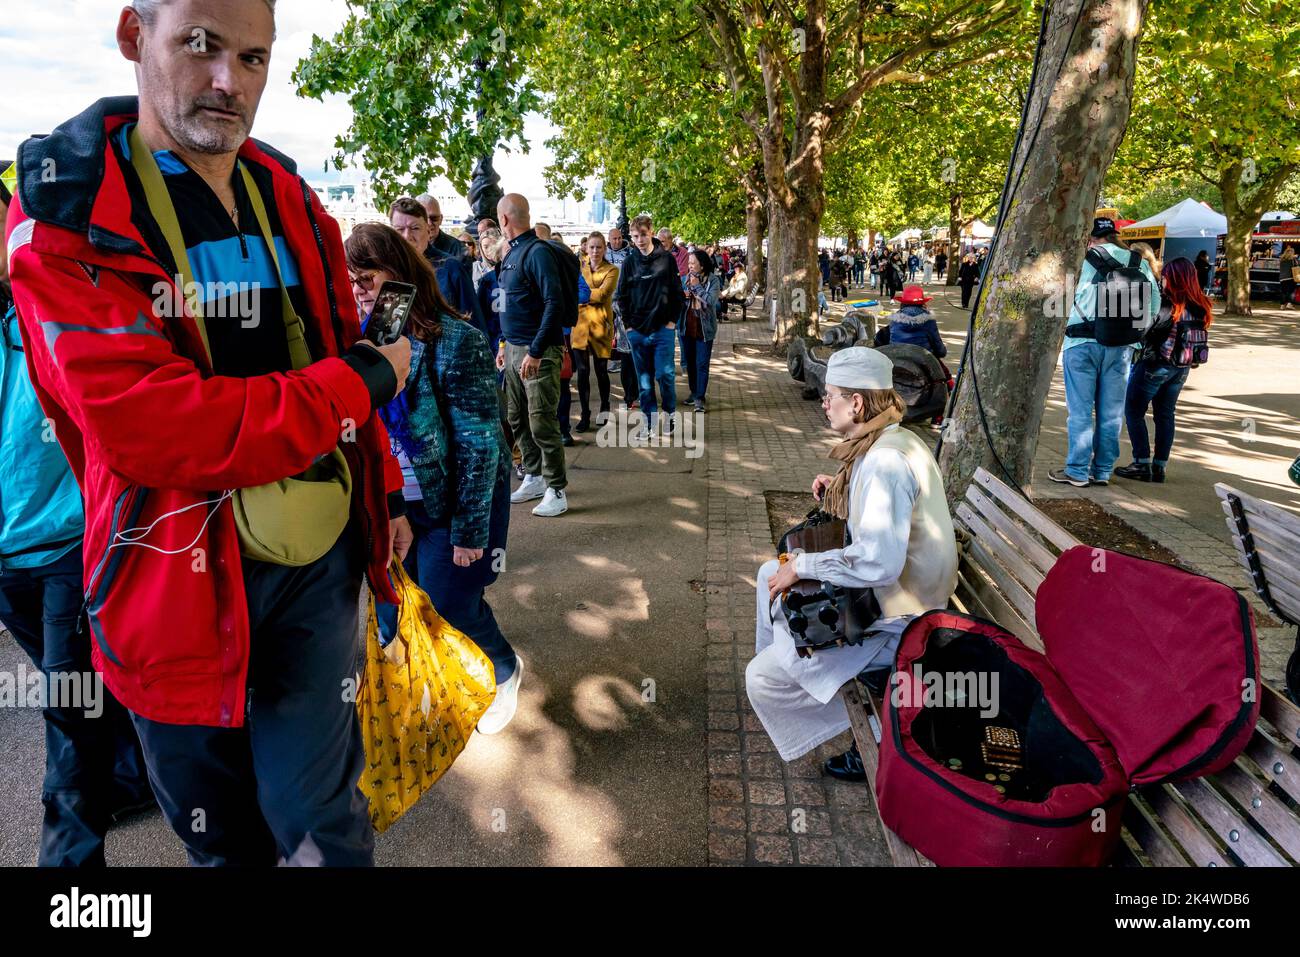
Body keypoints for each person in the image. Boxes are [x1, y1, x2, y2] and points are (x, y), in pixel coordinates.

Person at [6, 0, 413, 866]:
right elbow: (158, 428)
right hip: (166, 578)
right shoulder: (61, 217)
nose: (230, 81)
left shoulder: (292, 196)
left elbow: (338, 356)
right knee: (221, 836)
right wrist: (368, 377)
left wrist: (382, 498)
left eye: (254, 57)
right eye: (200, 44)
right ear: (132, 37)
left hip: (312, 560)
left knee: (321, 830)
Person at [1, 169, 153, 867]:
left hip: (69, 545)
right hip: (8, 562)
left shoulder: (47, 302)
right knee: (88, 693)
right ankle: (135, 774)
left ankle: (71, 879)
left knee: (68, 714)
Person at [748, 347, 958, 777]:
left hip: (905, 616)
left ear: (857, 403)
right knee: (770, 573)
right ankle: (796, 662)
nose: (825, 404)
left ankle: (885, 734)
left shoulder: (883, 461)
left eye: (831, 396)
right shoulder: (889, 439)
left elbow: (878, 563)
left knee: (761, 679)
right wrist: (837, 488)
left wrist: (804, 567)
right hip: (899, 594)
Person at [345, 224, 523, 732]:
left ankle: (505, 671)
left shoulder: (458, 341)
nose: (358, 287)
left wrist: (471, 532)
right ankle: (422, 687)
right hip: (392, 502)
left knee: (452, 603)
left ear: (399, 275)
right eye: (351, 276)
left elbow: (481, 444)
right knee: (399, 605)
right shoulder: (359, 340)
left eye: (367, 276)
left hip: (449, 503)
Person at [1048, 217, 1160, 489]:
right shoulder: (1139, 262)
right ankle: (1102, 471)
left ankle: (1077, 470)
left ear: (1090, 238)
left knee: (1080, 411)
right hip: (1121, 348)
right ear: (1114, 235)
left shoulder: (1079, 260)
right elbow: (1154, 307)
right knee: (1111, 413)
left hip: (1080, 344)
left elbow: (1055, 306)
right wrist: (1133, 335)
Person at [495, 194, 571, 517]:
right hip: (513, 349)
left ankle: (556, 488)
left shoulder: (537, 252)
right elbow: (507, 304)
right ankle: (534, 475)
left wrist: (536, 351)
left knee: (542, 420)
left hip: (536, 350)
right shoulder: (512, 254)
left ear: (504, 220)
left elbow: (554, 303)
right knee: (517, 417)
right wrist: (503, 345)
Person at [1115, 258, 1213, 484]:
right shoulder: (1201, 305)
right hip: (1182, 368)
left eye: (1166, 276)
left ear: (1174, 278)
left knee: (1133, 410)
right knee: (1165, 415)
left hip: (1155, 365)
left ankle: (1141, 462)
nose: (1163, 280)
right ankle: (1159, 466)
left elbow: (1145, 331)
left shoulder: (1167, 304)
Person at [617, 215, 686, 436]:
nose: (639, 240)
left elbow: (678, 295)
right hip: (637, 331)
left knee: (665, 375)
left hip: (662, 329)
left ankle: (669, 414)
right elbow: (622, 296)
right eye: (635, 236)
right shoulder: (629, 262)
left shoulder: (666, 259)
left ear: (651, 231)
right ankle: (649, 422)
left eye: (643, 234)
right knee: (644, 381)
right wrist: (628, 327)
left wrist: (671, 323)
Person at [390, 196, 487, 335]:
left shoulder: (451, 268)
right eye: (400, 229)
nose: (407, 236)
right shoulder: (385, 271)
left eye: (415, 228)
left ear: (428, 231)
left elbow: (475, 326)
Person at [574, 232, 618, 431]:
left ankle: (605, 407)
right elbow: (571, 290)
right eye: (591, 247)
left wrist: (581, 293)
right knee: (582, 372)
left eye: (599, 247)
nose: (595, 251)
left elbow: (602, 295)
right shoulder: (578, 266)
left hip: (601, 325)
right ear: (586, 248)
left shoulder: (612, 270)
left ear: (604, 248)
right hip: (579, 326)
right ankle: (584, 414)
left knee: (601, 371)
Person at [680, 248, 721, 413]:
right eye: (688, 263)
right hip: (686, 326)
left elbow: (710, 302)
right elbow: (678, 299)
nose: (689, 266)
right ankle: (693, 392)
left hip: (704, 329)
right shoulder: (685, 279)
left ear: (702, 266)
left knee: (702, 364)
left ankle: (699, 398)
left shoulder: (713, 280)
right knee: (690, 363)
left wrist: (696, 288)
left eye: (692, 263)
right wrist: (682, 296)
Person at [884, 285, 947, 358]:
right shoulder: (929, 321)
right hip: (923, 359)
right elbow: (940, 351)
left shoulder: (894, 321)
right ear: (922, 303)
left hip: (896, 357)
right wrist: (943, 351)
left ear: (903, 303)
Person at [416, 192, 470, 268]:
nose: (429, 223)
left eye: (434, 218)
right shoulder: (403, 248)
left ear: (441, 219)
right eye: (424, 218)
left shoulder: (459, 249)